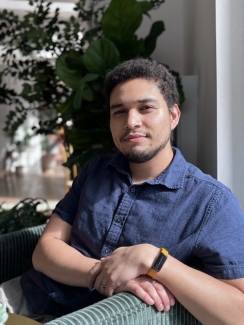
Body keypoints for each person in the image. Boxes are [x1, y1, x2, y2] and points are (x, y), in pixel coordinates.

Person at [1, 58, 244, 325]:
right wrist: (108, 275)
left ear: (174, 115)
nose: (131, 121)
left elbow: (238, 313)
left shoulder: (210, 202)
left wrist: (154, 260)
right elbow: (45, 251)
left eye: (146, 108)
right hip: (25, 297)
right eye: (119, 111)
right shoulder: (96, 171)